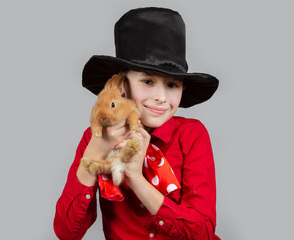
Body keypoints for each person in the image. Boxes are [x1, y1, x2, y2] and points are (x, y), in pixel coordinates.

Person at [54, 7, 221, 240]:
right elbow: (67, 232)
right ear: (122, 86)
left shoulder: (192, 135)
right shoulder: (96, 138)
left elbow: (202, 233)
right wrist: (95, 152)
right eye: (148, 81)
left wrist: (136, 179)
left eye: (172, 85)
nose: (161, 97)